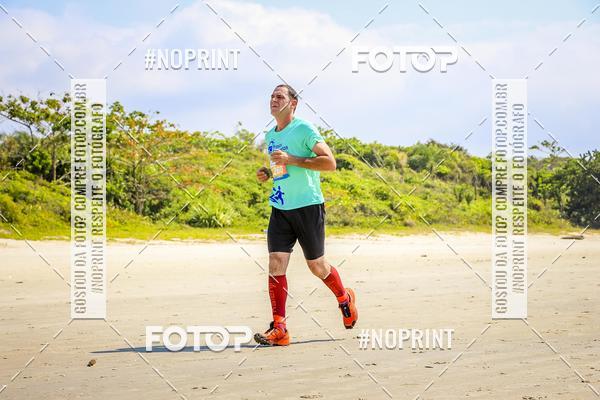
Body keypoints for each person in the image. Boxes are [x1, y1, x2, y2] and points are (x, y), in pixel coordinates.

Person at [253, 84, 358, 346]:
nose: (274, 99)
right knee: (276, 263)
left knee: (317, 266)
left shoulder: (304, 129)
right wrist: (269, 173)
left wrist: (292, 159)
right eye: (272, 96)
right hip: (280, 207)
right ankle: (280, 328)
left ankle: (344, 298)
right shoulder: (271, 134)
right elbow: (282, 169)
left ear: (293, 103)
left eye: (280, 96)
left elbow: (330, 163)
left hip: (308, 207)